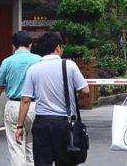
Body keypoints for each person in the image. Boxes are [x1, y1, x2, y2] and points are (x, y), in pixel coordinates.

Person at [18, 32, 94, 166]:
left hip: (42, 124)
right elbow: (86, 90)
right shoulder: (69, 66)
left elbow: (25, 100)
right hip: (64, 125)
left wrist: (19, 126)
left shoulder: (33, 69)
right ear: (58, 48)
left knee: (42, 163)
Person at [0, 31, 40, 166]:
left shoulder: (7, 62)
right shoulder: (38, 60)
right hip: (35, 106)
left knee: (16, 147)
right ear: (30, 44)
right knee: (32, 147)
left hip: (14, 105)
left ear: (13, 46)